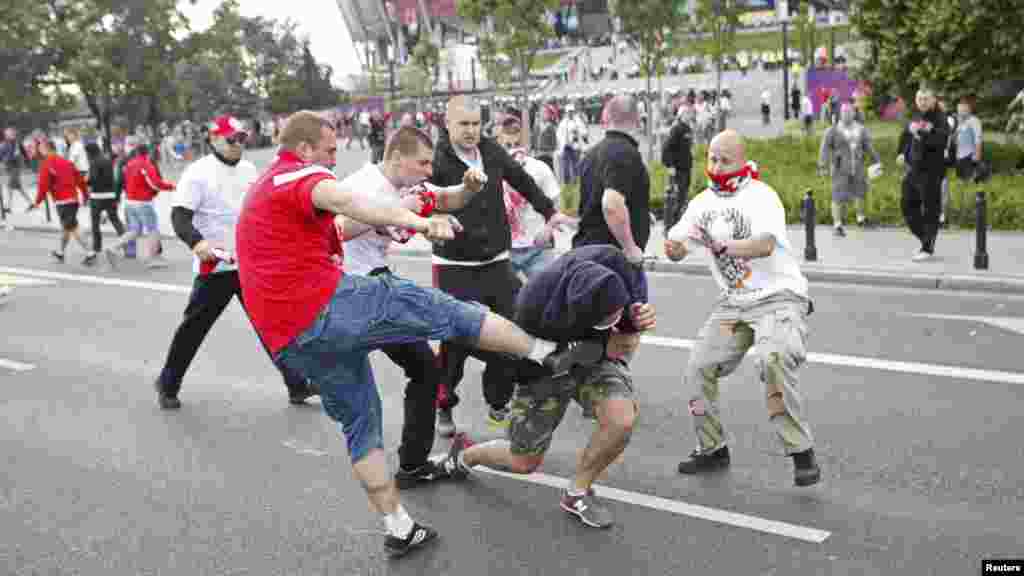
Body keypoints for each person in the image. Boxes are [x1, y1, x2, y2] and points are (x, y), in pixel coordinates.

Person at [235, 110, 596, 558]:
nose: (333, 160)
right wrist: (419, 224)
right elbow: (347, 207)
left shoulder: (277, 188)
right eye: (329, 151)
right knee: (450, 313)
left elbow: (437, 197)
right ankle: (547, 352)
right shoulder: (299, 174)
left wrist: (457, 194)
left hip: (294, 336)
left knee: (363, 418)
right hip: (336, 301)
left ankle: (399, 527)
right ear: (305, 149)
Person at [456, 245, 656, 529]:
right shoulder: (533, 307)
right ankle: (465, 454)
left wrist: (636, 322)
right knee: (523, 461)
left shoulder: (617, 266)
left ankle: (577, 493)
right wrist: (567, 357)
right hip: (542, 365)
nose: (614, 320)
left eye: (616, 313)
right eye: (604, 320)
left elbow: (623, 344)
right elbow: (516, 363)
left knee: (621, 418)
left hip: (595, 356)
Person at [665, 129, 821, 488]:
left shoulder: (762, 196)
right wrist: (673, 248)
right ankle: (712, 448)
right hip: (733, 306)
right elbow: (678, 241)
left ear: (741, 159)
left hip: (778, 297)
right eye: (712, 159)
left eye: (725, 160)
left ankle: (801, 450)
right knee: (697, 368)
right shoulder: (702, 202)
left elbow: (765, 245)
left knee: (772, 359)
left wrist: (724, 247)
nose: (717, 166)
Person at [430, 96, 574, 437]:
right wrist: (434, 217)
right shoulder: (437, 160)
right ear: (448, 125)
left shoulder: (491, 150)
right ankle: (444, 404)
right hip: (455, 266)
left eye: (475, 124)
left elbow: (522, 180)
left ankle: (498, 400)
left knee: (514, 331)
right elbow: (421, 196)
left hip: (496, 263)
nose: (470, 131)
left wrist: (550, 212)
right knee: (457, 342)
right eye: (463, 125)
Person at [340, 125, 474, 490]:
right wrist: (401, 212)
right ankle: (408, 470)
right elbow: (339, 230)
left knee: (419, 370)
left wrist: (468, 190)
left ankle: (408, 466)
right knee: (424, 368)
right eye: (423, 163)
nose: (428, 171)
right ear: (397, 158)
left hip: (367, 285)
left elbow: (443, 198)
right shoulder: (363, 187)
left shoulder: (403, 184)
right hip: (360, 289)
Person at [152, 115, 317, 410]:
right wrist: (197, 243)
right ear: (214, 139)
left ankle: (296, 384)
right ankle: (168, 383)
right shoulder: (198, 173)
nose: (238, 144)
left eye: (242, 138)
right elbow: (179, 216)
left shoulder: (249, 169)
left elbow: (262, 209)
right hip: (215, 267)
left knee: (271, 324)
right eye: (231, 139)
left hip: (250, 264)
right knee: (194, 329)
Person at [573, 95, 651, 266]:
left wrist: (640, 213)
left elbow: (591, 204)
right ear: (637, 119)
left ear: (607, 117)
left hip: (587, 254)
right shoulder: (624, 152)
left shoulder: (591, 154)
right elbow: (611, 205)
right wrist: (630, 249)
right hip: (611, 259)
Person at [495, 115, 564, 280]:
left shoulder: (540, 168)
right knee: (504, 302)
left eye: (517, 144)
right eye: (508, 145)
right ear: (499, 143)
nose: (513, 150)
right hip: (505, 250)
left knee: (545, 298)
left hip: (538, 249)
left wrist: (548, 230)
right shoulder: (492, 171)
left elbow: (556, 206)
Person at [896, 85, 949, 261]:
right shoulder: (916, 116)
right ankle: (925, 239)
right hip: (913, 170)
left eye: (926, 99)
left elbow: (941, 141)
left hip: (931, 171)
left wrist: (922, 132)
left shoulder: (941, 118)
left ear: (933, 99)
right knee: (906, 204)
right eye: (919, 99)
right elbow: (905, 136)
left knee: (930, 209)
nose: (922, 102)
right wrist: (902, 153)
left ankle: (927, 247)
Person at [818, 101, 881, 236]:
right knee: (838, 195)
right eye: (844, 112)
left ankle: (861, 218)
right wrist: (823, 165)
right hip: (840, 167)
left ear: (854, 113)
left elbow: (869, 146)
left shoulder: (861, 129)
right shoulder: (833, 130)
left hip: (858, 166)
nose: (846, 114)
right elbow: (825, 148)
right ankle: (837, 224)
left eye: (849, 112)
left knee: (860, 192)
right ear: (840, 113)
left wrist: (877, 160)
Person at [30, 139, 96, 264]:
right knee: (66, 227)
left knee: (73, 227)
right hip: (73, 200)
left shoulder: (47, 164)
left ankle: (90, 252)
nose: (40, 151)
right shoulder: (67, 162)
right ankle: (60, 252)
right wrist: (85, 195)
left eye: (41, 149)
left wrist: (37, 202)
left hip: (62, 201)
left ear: (47, 149)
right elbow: (80, 180)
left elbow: (43, 185)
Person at [83, 142, 125, 264]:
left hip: (97, 196)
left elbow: (94, 179)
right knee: (115, 220)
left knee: (95, 223)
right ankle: (125, 243)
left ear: (90, 152)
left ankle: (97, 247)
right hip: (110, 195)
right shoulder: (107, 160)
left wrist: (87, 181)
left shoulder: (94, 162)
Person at [661, 109, 694, 231]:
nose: (689, 115)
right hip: (677, 169)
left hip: (686, 168)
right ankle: (670, 226)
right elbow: (667, 148)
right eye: (687, 114)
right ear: (681, 115)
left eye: (689, 114)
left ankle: (678, 222)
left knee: (683, 197)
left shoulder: (687, 128)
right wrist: (669, 166)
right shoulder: (676, 129)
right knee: (675, 198)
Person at [1, 127, 34, 212]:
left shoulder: (16, 144)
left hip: (15, 168)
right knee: (19, 188)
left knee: (9, 187)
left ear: (14, 135)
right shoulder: (5, 144)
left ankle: (8, 207)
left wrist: (27, 163)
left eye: (11, 134)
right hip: (10, 168)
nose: (8, 135)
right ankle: (31, 203)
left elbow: (21, 155)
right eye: (7, 134)